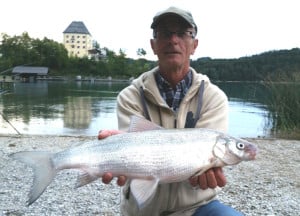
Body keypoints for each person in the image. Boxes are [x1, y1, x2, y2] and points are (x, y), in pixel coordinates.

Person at [98, 6, 243, 216]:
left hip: (196, 208)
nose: (173, 40)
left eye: (183, 33)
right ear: (153, 45)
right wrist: (119, 154)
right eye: (165, 33)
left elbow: (211, 162)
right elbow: (133, 156)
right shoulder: (129, 97)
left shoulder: (214, 98)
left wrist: (206, 172)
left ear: (194, 45)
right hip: (142, 210)